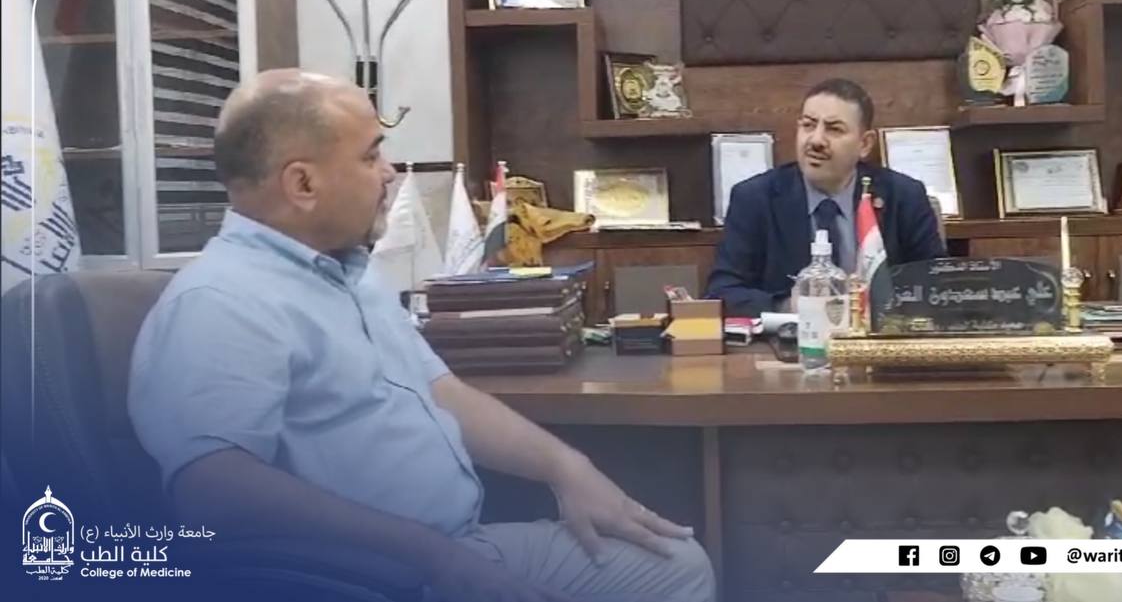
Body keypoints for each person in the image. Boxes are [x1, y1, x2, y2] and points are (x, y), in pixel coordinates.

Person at [128, 69, 714, 602]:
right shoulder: (221, 301)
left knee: (672, 568)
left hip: (450, 547)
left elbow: (440, 391)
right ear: (302, 183)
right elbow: (213, 491)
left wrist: (566, 468)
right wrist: (434, 558)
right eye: (371, 156)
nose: (389, 173)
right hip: (360, 575)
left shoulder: (345, 273)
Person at [705, 78, 947, 316]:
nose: (816, 140)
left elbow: (936, 288)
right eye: (808, 125)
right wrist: (788, 306)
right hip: (791, 339)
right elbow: (722, 293)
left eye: (834, 129)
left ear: (864, 144)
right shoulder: (755, 199)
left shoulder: (904, 197)